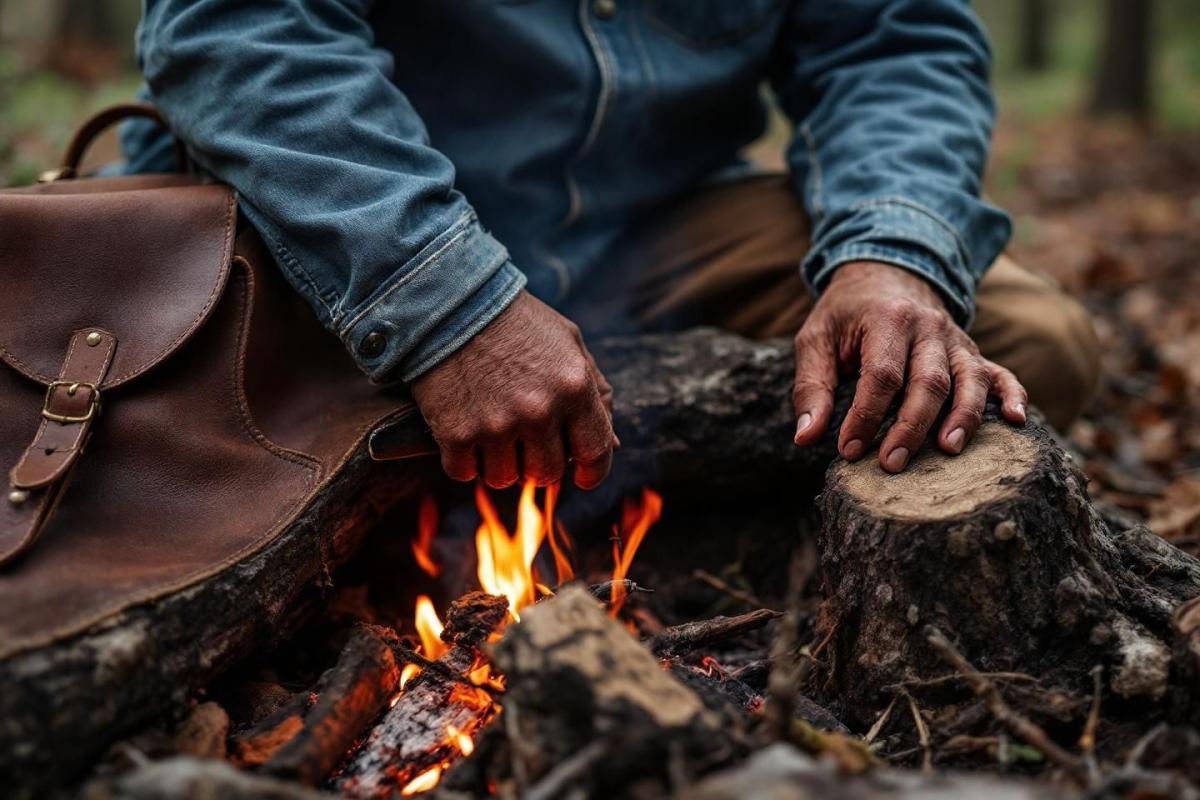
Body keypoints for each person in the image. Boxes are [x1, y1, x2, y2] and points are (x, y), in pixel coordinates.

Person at [122, 0, 1099, 491]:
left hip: (655, 222)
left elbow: (894, 42)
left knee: (1016, 343)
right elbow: (237, 31)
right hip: (341, 231)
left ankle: (664, 537)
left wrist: (888, 253)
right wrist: (449, 306)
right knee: (146, 449)